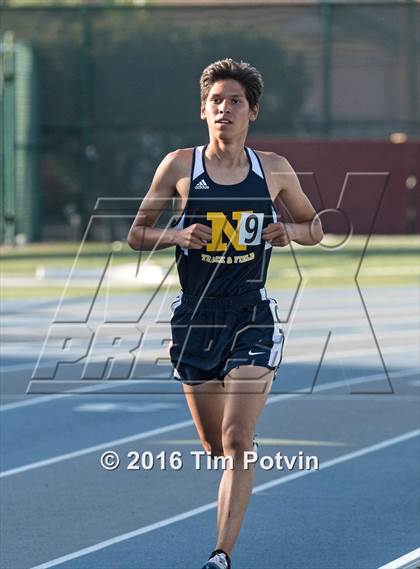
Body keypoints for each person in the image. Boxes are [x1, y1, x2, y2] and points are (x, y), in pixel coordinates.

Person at [127, 58, 323, 569]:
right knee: (216, 447)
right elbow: (135, 234)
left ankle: (220, 555)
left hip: (251, 311)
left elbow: (314, 226)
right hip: (195, 316)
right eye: (216, 101)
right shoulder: (178, 166)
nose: (224, 109)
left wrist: (291, 233)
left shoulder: (273, 169)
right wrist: (175, 234)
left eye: (235, 101)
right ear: (203, 111)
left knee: (239, 439)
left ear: (251, 112)